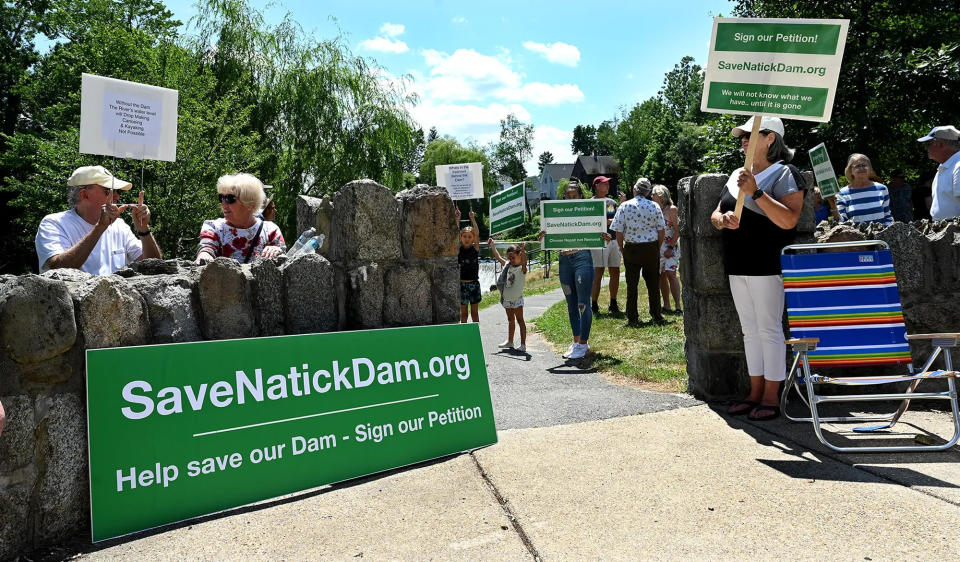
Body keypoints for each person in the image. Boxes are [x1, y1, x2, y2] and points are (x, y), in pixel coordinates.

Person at [712, 116, 805, 422]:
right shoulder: (737, 174)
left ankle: (771, 397)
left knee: (769, 330)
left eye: (751, 134)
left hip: (766, 264)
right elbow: (716, 213)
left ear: (770, 139)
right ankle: (753, 393)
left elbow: (789, 220)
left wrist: (756, 193)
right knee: (749, 332)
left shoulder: (786, 174)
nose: (743, 140)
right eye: (742, 135)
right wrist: (721, 220)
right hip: (737, 263)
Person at [35, 165, 162, 275]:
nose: (117, 197)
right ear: (84, 195)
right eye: (108, 191)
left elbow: (153, 266)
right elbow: (57, 268)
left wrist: (144, 229)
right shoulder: (53, 223)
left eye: (116, 191)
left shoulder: (119, 225)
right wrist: (100, 227)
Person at [539, 179, 595, 360]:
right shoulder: (556, 215)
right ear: (563, 198)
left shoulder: (589, 213)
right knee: (571, 305)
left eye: (574, 196)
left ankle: (584, 344)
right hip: (564, 260)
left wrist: (604, 236)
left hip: (582, 258)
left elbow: (597, 233)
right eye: (568, 196)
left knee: (582, 303)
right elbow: (549, 237)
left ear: (581, 197)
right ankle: (576, 341)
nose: (571, 198)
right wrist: (542, 237)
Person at [609, 178, 666, 327]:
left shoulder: (624, 206)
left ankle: (632, 316)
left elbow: (619, 230)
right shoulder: (654, 206)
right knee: (653, 283)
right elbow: (661, 230)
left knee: (632, 284)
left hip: (632, 248)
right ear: (648, 192)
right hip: (651, 247)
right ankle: (656, 314)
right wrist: (657, 247)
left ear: (635, 190)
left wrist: (621, 248)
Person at [196, 173, 286, 264]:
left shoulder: (271, 230)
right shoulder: (212, 227)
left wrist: (276, 251)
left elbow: (283, 262)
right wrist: (204, 254)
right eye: (221, 198)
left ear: (250, 204)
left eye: (230, 199)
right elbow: (207, 248)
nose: (223, 204)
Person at [589, 175, 621, 314]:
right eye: (604, 184)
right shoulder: (589, 203)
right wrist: (605, 222)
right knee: (598, 272)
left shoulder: (610, 202)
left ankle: (613, 302)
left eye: (608, 184)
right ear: (596, 185)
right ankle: (594, 304)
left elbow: (613, 218)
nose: (607, 186)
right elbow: (588, 222)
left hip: (613, 240)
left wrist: (607, 221)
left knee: (615, 271)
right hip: (598, 242)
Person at [489, 239, 527, 352]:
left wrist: (523, 250)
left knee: (520, 320)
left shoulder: (522, 268)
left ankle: (523, 344)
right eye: (509, 258)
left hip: (517, 299)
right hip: (507, 299)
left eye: (513, 258)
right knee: (510, 320)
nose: (511, 260)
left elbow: (524, 261)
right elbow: (497, 256)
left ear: (519, 255)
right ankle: (510, 341)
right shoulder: (507, 265)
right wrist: (492, 245)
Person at [835, 154, 893, 226]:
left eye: (864, 165)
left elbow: (887, 216)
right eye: (857, 166)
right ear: (850, 170)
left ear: (870, 169)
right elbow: (842, 221)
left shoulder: (882, 189)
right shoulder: (842, 193)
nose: (862, 168)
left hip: (880, 236)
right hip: (855, 236)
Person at [918, 125, 960, 220]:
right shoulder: (945, 167)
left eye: (929, 143)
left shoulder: (958, 166)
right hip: (947, 228)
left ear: (941, 144)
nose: (926, 148)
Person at [652, 185, 681, 314]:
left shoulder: (672, 210)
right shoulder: (654, 210)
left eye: (654, 194)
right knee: (661, 276)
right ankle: (667, 305)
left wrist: (670, 247)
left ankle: (678, 306)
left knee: (671, 274)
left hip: (671, 245)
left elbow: (678, 230)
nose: (651, 197)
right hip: (659, 247)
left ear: (661, 196)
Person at [455, 206, 481, 323]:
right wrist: (457, 219)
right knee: (464, 314)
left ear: (473, 238)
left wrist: (473, 218)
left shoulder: (475, 249)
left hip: (474, 285)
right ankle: (463, 334)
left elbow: (477, 233)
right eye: (464, 236)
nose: (467, 239)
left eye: (469, 237)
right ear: (461, 238)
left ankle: (476, 334)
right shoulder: (458, 249)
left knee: (475, 314)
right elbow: (454, 234)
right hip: (462, 285)